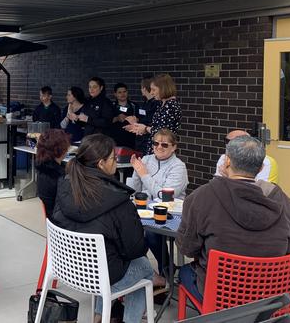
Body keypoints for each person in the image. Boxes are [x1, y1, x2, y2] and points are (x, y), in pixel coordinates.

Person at [176, 135, 290, 302]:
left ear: (227, 162)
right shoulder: (286, 203)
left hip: (218, 295)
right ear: (261, 167)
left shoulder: (201, 197)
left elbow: (187, 248)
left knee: (183, 271)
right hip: (268, 296)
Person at [52, 134, 152, 323]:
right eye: (113, 158)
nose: (116, 162)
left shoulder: (66, 185)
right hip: (101, 279)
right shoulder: (119, 201)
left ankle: (99, 316)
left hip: (69, 269)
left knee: (111, 257)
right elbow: (135, 249)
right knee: (144, 266)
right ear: (101, 164)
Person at [126, 128, 188, 283]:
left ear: (174, 147)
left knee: (151, 235)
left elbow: (164, 196)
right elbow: (134, 190)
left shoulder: (178, 167)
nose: (159, 147)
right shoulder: (146, 159)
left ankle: (165, 269)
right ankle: (145, 271)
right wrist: (136, 172)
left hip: (170, 213)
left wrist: (144, 174)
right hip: (145, 210)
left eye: (164, 145)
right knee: (128, 233)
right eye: (155, 143)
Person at [124, 73, 181, 155]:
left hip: (163, 150)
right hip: (156, 148)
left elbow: (163, 131)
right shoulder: (163, 104)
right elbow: (156, 127)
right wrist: (140, 128)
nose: (151, 93)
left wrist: (145, 128)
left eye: (154, 90)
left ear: (162, 89)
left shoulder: (171, 106)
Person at [35, 129, 70, 218]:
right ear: (61, 149)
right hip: (60, 219)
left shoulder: (42, 169)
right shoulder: (59, 177)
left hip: (51, 218)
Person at [126, 77, 159, 155]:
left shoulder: (156, 104)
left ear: (144, 89)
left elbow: (150, 122)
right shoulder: (145, 102)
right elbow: (142, 118)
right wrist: (136, 121)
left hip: (147, 140)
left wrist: (135, 123)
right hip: (140, 140)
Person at [110, 82, 138, 149]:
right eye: (119, 92)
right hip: (115, 139)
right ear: (115, 94)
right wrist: (117, 118)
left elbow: (140, 120)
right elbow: (106, 121)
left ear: (127, 92)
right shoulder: (111, 106)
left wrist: (135, 120)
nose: (122, 94)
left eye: (124, 92)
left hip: (131, 140)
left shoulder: (134, 106)